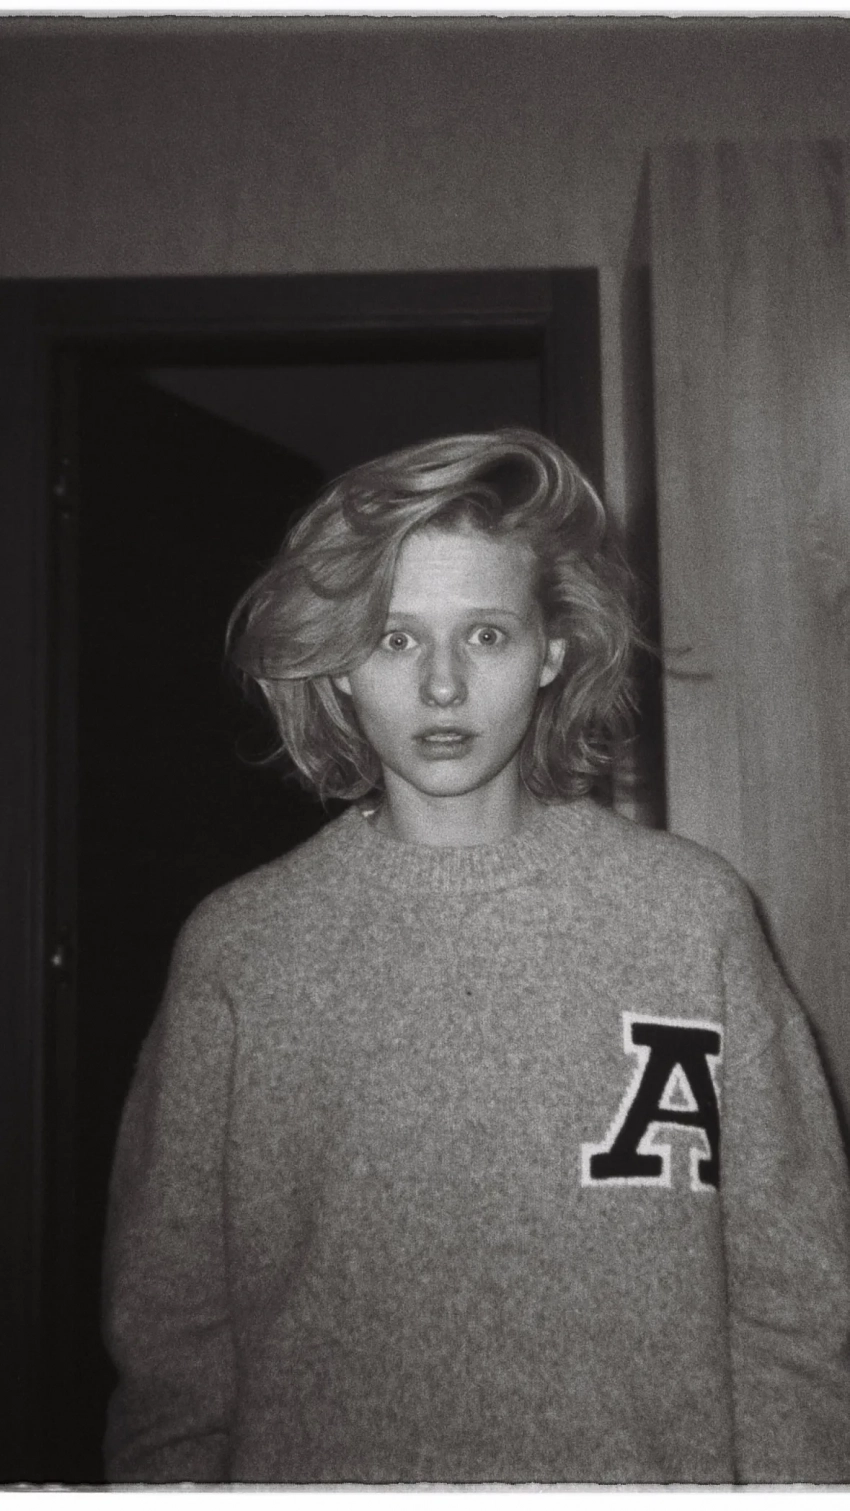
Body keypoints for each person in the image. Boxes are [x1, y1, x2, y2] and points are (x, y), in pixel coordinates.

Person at [102, 429, 850, 1486]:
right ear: (338, 664)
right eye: (395, 639)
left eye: (486, 634)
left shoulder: (692, 917)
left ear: (552, 651)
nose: (443, 685)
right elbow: (173, 1347)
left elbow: (797, 1306)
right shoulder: (243, 950)